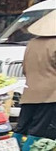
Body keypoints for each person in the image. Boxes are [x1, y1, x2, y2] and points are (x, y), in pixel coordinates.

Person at [14, 9, 56, 141]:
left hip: (30, 90)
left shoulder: (32, 43)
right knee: (39, 126)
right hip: (50, 93)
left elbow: (24, 68)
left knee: (22, 125)